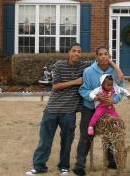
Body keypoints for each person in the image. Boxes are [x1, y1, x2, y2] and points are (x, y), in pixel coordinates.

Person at [26, 43, 87, 176]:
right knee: (45, 140)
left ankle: (64, 166)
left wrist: (113, 65)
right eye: (74, 51)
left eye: (79, 51)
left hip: (69, 111)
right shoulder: (59, 65)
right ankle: (39, 166)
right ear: (69, 53)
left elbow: (101, 62)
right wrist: (75, 82)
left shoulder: (83, 66)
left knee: (67, 141)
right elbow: (55, 86)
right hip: (52, 109)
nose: (76, 53)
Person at [73, 46, 125, 176]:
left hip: (108, 108)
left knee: (110, 134)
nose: (103, 56)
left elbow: (119, 90)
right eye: (100, 54)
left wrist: (113, 100)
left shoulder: (115, 72)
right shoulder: (88, 71)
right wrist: (95, 97)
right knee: (86, 135)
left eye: (106, 54)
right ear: (96, 56)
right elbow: (83, 90)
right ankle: (80, 165)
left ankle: (111, 160)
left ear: (109, 56)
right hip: (89, 108)